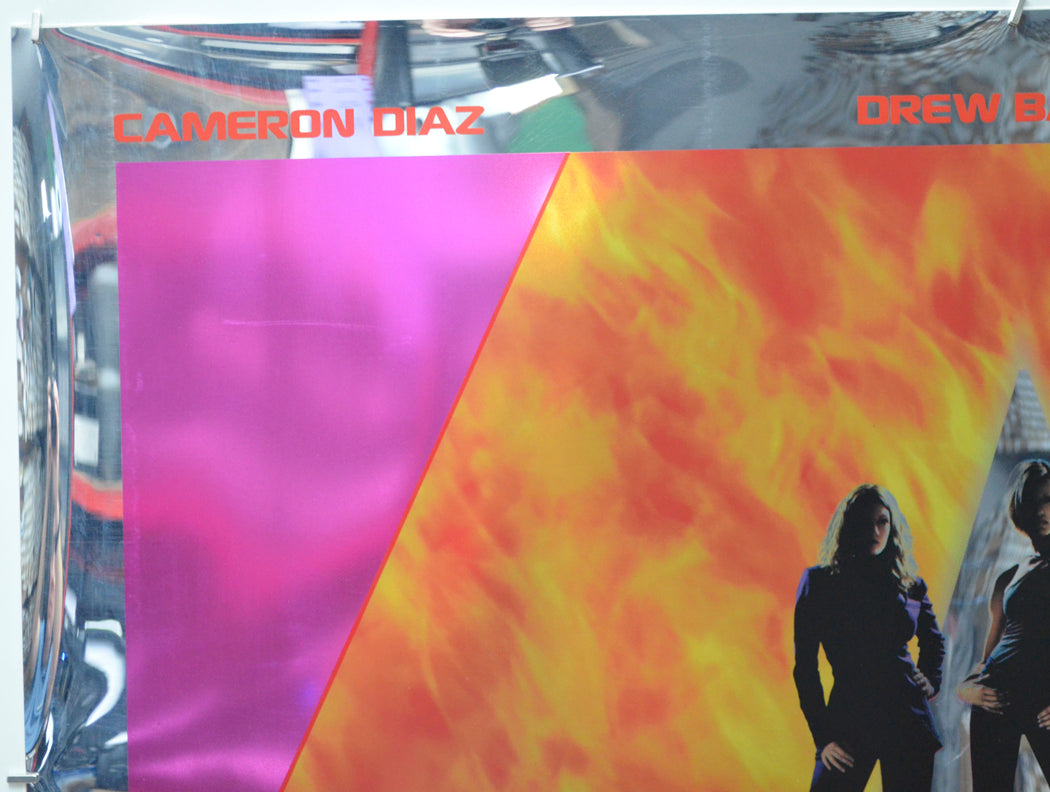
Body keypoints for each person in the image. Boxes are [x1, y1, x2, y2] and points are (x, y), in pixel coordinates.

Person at [794, 484, 945, 792]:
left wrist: (930, 679)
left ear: (892, 526)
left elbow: (934, 641)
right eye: (865, 521)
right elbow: (805, 668)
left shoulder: (910, 584)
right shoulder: (819, 582)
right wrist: (823, 738)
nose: (875, 531)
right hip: (848, 723)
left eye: (882, 521)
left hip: (908, 721)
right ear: (849, 525)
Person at [959, 459, 1050, 790]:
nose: (1041, 510)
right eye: (1032, 501)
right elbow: (984, 662)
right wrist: (969, 691)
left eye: (1048, 500)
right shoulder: (1008, 578)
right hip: (995, 705)